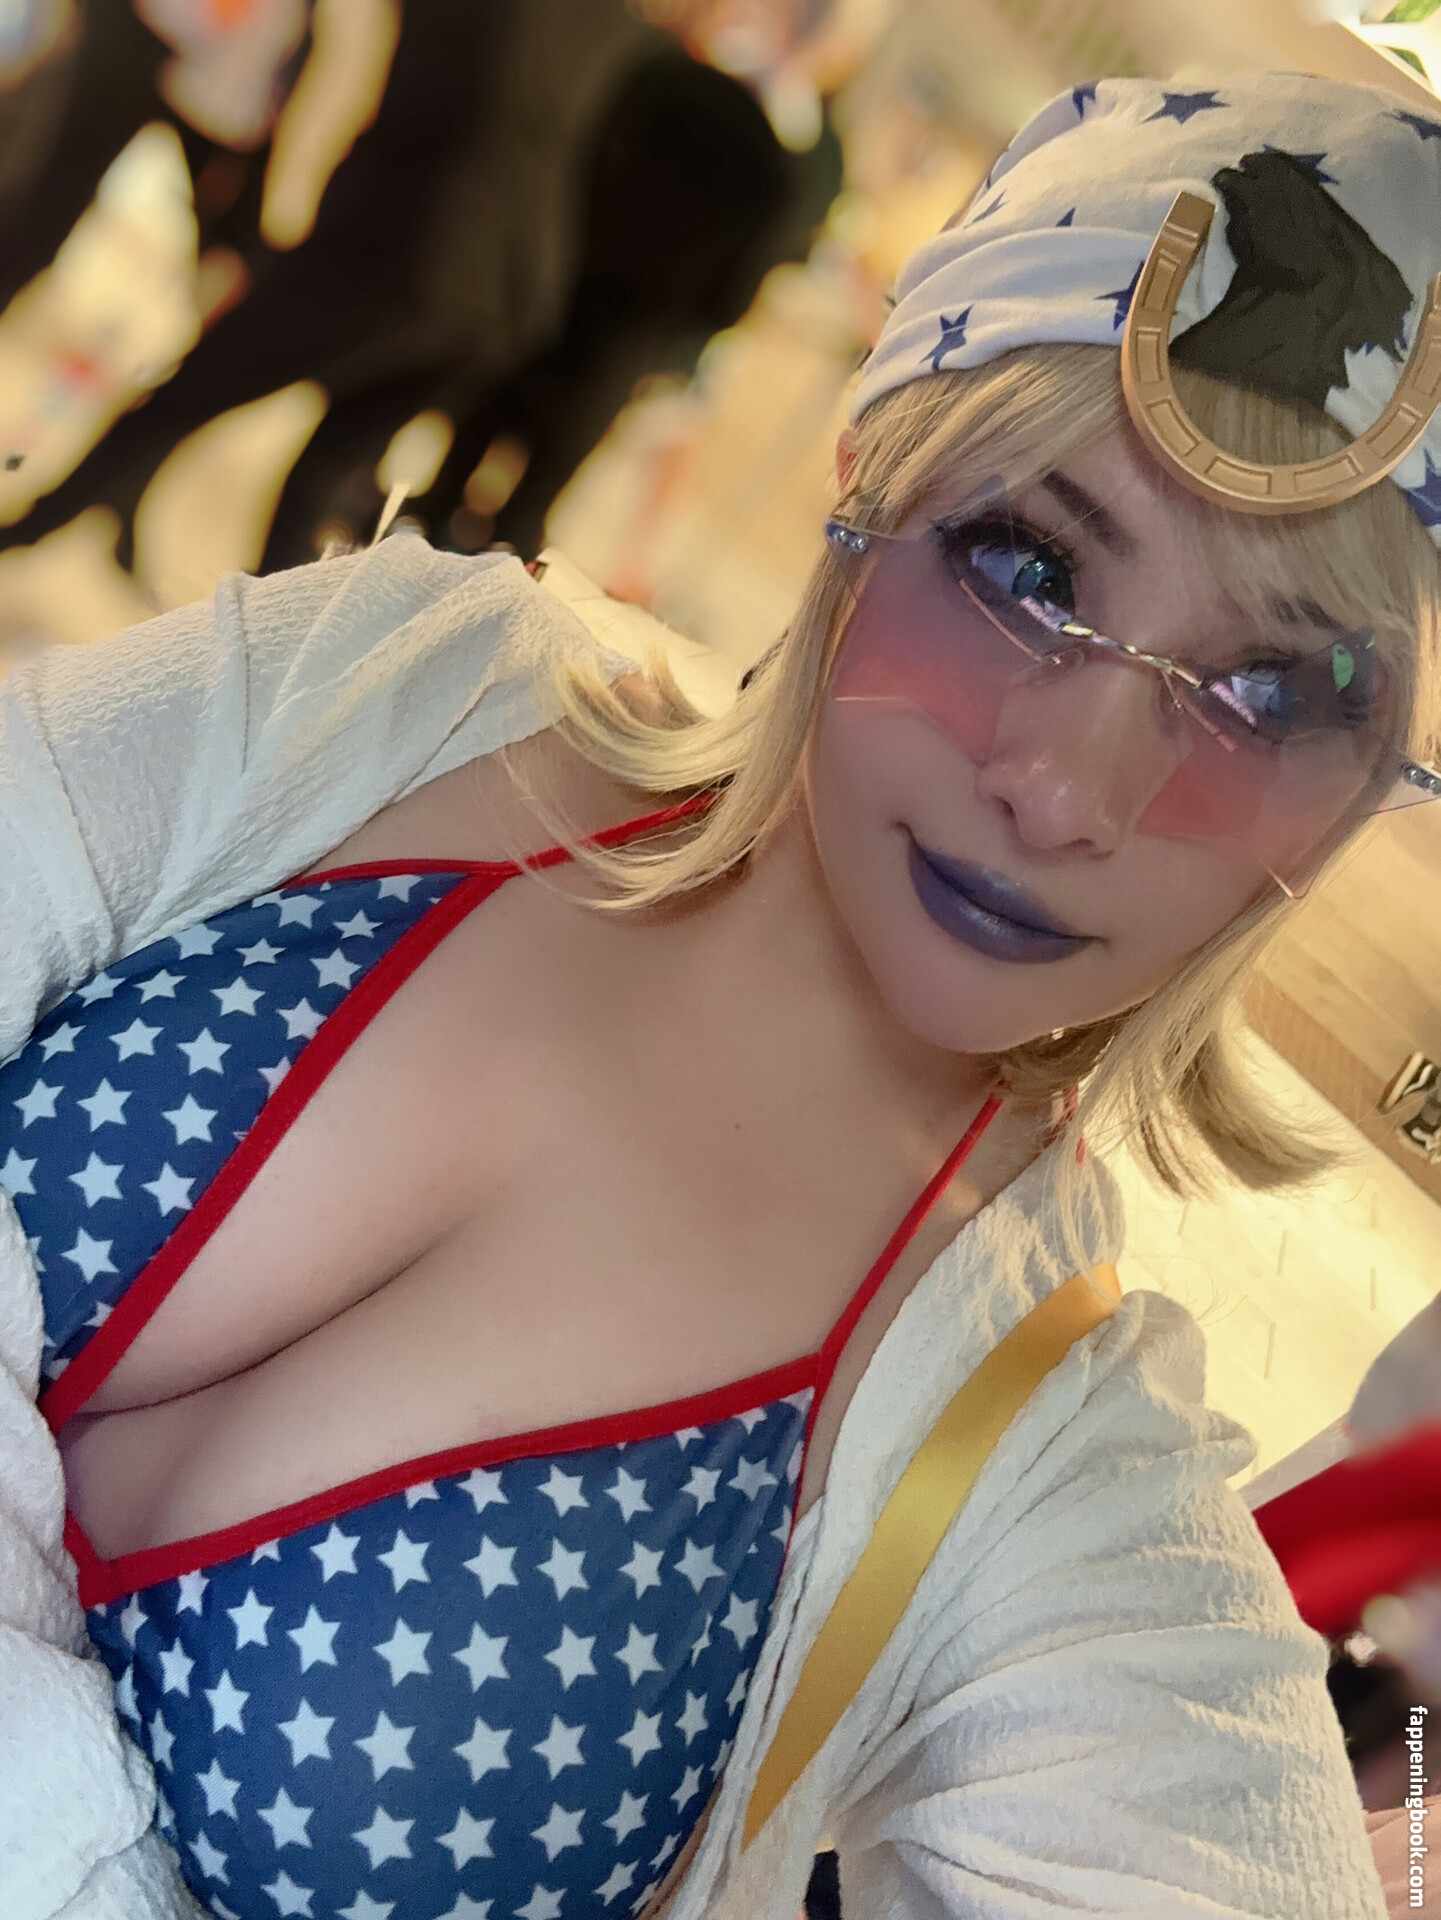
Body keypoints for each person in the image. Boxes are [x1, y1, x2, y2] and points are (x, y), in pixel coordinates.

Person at [1, 68, 1438, 1920]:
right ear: (870, 476)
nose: (1068, 791)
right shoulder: (403, 681)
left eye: (1263, 697)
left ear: (1355, 806)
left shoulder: (1047, 1469)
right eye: (1027, 567)